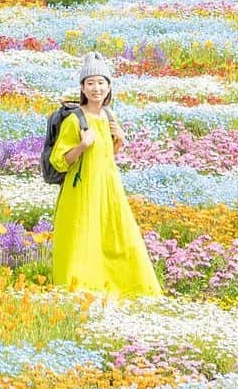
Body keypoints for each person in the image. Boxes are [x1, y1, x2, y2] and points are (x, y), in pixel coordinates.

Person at [49, 53, 163, 297]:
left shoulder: (110, 116)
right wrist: (81, 146)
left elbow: (107, 156)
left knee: (116, 235)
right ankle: (76, 290)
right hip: (82, 190)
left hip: (109, 188)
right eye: (90, 83)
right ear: (82, 87)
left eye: (101, 82)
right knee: (81, 237)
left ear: (109, 86)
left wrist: (119, 142)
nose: (96, 88)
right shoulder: (74, 119)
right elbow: (58, 161)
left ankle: (123, 287)